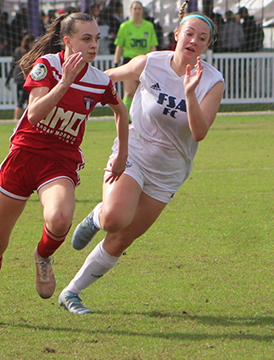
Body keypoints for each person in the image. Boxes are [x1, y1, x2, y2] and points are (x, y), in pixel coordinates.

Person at [0, 12, 129, 327]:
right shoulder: (48, 66)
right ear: (67, 41)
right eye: (86, 39)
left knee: (61, 218)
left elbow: (121, 111)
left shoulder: (99, 80)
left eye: (96, 39)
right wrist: (65, 81)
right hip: (24, 156)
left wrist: (123, 153)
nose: (94, 45)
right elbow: (35, 113)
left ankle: (43, 256)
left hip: (60, 161)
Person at [57, 0, 224, 315]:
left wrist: (189, 92)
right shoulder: (150, 63)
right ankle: (98, 216)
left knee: (121, 240)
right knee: (114, 220)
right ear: (177, 34)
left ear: (207, 45)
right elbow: (106, 78)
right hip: (133, 154)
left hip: (169, 173)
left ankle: (71, 292)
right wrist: (68, 81)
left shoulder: (212, 82)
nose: (194, 41)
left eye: (202, 38)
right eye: (190, 33)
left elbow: (200, 133)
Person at [114, 1, 159, 119]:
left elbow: (152, 45)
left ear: (142, 11)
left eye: (139, 9)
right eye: (135, 9)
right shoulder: (125, 27)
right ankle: (125, 117)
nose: (137, 11)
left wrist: (153, 62)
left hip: (144, 62)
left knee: (143, 91)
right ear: (131, 11)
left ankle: (140, 117)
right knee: (129, 91)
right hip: (129, 61)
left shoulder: (148, 26)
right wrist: (116, 62)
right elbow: (120, 45)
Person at [5, 34, 36, 120]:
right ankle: (17, 118)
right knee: (24, 99)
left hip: (17, 77)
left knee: (21, 98)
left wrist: (8, 79)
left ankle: (19, 118)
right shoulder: (30, 52)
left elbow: (13, 65)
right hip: (25, 78)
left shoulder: (18, 50)